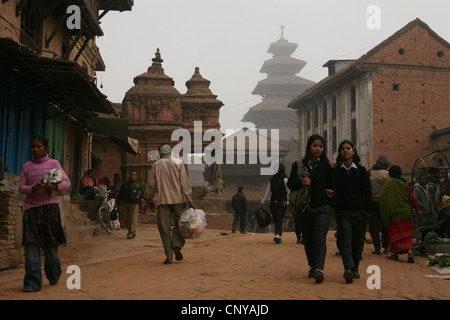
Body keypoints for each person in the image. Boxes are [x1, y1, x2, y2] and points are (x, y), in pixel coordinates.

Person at [18, 134, 71, 292]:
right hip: (31, 210)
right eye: (33, 146)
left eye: (38, 146)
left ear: (46, 148)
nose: (35, 149)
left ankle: (54, 274)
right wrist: (32, 188)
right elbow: (21, 187)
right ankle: (32, 283)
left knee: (51, 249)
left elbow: (66, 182)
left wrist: (54, 188)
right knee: (31, 248)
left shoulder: (54, 163)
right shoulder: (26, 166)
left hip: (49, 209)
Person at [287, 134, 335, 284]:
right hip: (306, 208)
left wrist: (330, 192)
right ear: (309, 147)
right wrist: (302, 182)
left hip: (323, 207)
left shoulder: (327, 166)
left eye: (320, 146)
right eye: (315, 146)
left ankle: (320, 268)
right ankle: (313, 265)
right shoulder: (299, 165)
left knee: (320, 238)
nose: (318, 149)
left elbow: (333, 186)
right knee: (308, 239)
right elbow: (290, 184)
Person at [147, 144, 194, 264]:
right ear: (170, 152)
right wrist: (189, 199)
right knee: (181, 225)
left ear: (160, 153)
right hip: (178, 200)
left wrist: (150, 198)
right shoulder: (178, 163)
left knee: (164, 229)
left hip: (162, 201)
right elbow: (184, 182)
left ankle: (169, 255)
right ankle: (177, 245)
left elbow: (151, 185)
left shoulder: (156, 165)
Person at [333, 140, 371, 283]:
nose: (345, 151)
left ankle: (355, 269)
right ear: (340, 153)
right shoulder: (336, 171)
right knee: (345, 241)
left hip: (359, 212)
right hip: (343, 213)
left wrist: (366, 211)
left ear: (353, 151)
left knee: (358, 242)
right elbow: (334, 191)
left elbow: (367, 192)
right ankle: (348, 269)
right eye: (342, 149)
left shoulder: (361, 171)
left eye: (348, 148)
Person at [379, 165, 421, 263]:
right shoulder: (405, 183)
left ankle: (395, 254)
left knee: (395, 234)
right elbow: (411, 198)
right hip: (405, 212)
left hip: (394, 213)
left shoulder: (388, 183)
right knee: (407, 234)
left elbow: (382, 198)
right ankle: (410, 251)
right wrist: (417, 209)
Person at [260, 164, 290, 243]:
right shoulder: (271, 180)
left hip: (282, 203)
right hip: (273, 203)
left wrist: (288, 201)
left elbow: (288, 191)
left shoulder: (285, 180)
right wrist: (263, 201)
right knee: (275, 218)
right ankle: (278, 236)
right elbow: (267, 191)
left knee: (279, 218)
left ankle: (278, 234)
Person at [367, 155, 391, 255]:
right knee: (385, 225)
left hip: (371, 202)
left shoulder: (369, 173)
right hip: (384, 202)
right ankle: (386, 247)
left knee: (374, 226)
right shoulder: (387, 174)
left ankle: (377, 248)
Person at [115, 170, 141, 239]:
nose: (132, 176)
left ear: (136, 176)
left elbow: (141, 195)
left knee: (133, 218)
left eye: (134, 175)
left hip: (134, 204)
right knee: (125, 218)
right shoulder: (125, 184)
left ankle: (131, 232)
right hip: (125, 203)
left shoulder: (138, 185)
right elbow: (120, 193)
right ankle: (131, 231)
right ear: (129, 175)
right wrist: (116, 202)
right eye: (131, 175)